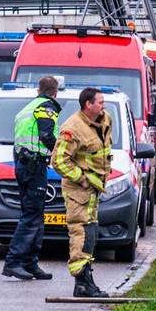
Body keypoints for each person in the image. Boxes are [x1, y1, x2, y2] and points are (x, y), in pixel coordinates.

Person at [52, 87, 113, 298]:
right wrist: (82, 178)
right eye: (100, 102)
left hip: (94, 189)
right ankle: (82, 282)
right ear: (88, 104)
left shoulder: (104, 121)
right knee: (81, 232)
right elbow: (59, 160)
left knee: (91, 231)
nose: (103, 106)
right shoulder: (72, 128)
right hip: (79, 190)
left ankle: (86, 280)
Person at [2, 76, 61, 281]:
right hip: (34, 166)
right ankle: (14, 262)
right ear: (55, 92)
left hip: (24, 164)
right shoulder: (46, 107)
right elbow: (47, 135)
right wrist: (62, 152)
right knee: (31, 216)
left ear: (39, 89)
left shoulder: (27, 108)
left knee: (35, 214)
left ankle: (30, 263)